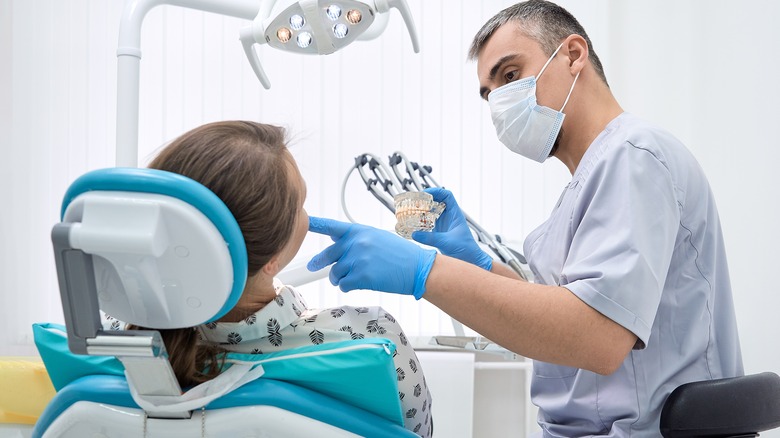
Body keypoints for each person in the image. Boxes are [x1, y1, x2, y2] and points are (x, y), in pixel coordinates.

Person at [305, 1, 743, 436]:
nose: (499, 102)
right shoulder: (592, 178)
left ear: (573, 55)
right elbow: (563, 314)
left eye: (510, 76)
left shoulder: (634, 157)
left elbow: (598, 336)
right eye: (489, 93)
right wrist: (481, 266)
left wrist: (427, 272)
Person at [103, 121, 433, 437]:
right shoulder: (369, 338)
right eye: (301, 203)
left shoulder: (114, 338)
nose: (307, 214)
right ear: (272, 258)